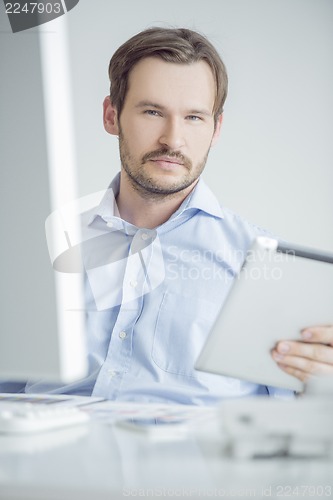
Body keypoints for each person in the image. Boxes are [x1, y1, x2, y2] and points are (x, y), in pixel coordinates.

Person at [19, 28, 333, 402]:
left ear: (216, 129)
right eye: (153, 112)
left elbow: (287, 419)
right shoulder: (36, 251)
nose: (173, 139)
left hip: (194, 458)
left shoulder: (264, 267)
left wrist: (321, 384)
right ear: (111, 115)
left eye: (194, 118)